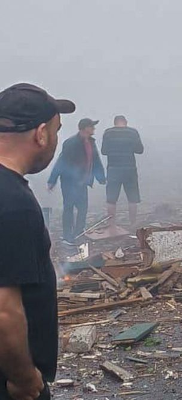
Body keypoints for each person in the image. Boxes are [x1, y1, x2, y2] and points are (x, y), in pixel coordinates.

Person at [0, 83, 75, 400]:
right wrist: (24, 378)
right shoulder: (14, 204)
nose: (56, 141)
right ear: (41, 134)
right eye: (57, 131)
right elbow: (4, 310)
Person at [47, 118, 105, 244]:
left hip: (83, 182)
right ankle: (67, 236)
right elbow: (61, 161)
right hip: (70, 182)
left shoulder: (91, 142)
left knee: (83, 208)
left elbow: (95, 160)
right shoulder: (71, 143)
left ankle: (79, 232)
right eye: (92, 126)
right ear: (84, 128)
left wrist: (101, 177)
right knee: (69, 207)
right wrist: (52, 180)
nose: (94, 129)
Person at [101, 115, 143, 228]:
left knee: (111, 199)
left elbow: (104, 151)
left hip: (113, 169)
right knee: (132, 198)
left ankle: (111, 224)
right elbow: (140, 150)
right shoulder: (133, 132)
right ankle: (133, 223)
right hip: (129, 168)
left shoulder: (108, 133)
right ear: (125, 122)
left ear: (114, 123)